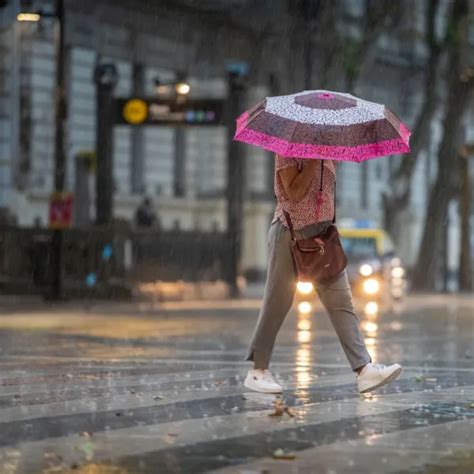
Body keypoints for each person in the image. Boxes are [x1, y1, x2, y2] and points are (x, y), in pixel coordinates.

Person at [244, 154, 402, 394]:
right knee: (278, 301)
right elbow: (294, 192)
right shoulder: (289, 148)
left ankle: (364, 370)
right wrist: (313, 160)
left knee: (342, 303)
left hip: (321, 238)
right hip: (289, 235)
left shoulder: (327, 151)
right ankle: (257, 371)